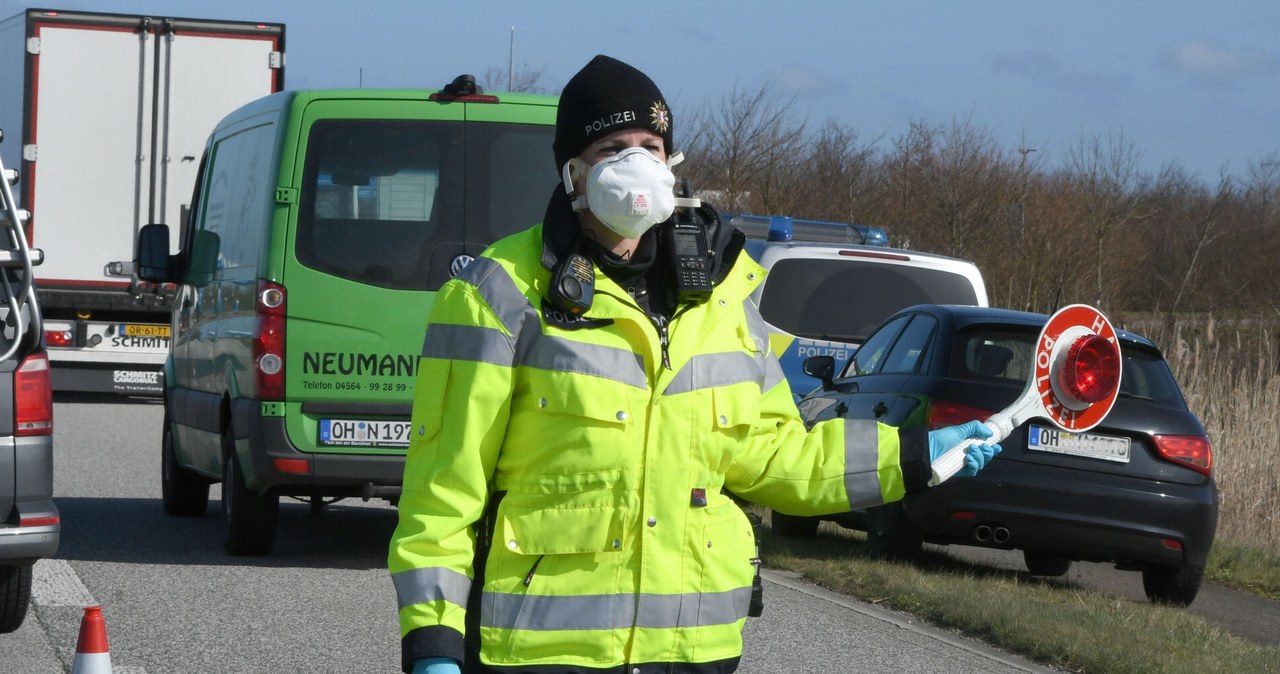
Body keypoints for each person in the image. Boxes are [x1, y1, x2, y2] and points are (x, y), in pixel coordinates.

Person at [388, 54, 1000, 674]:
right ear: (572, 172)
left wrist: (917, 455)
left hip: (694, 653)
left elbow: (777, 455)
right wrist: (434, 645)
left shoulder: (727, 296)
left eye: (651, 146)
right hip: (543, 652)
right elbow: (444, 492)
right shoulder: (497, 294)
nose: (636, 164)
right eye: (611, 147)